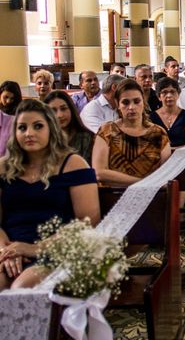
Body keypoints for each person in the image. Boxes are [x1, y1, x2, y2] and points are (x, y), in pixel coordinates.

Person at [0, 100, 99, 290]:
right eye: (22, 128)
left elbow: (87, 222)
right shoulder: (3, 167)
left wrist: (33, 249)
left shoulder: (72, 163)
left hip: (58, 248)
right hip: (11, 248)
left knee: (21, 289)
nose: (29, 133)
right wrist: (7, 251)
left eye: (38, 126)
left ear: (51, 129)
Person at [92, 80, 171, 186]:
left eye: (136, 101)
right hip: (113, 196)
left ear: (143, 101)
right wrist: (141, 183)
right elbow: (99, 173)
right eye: (125, 102)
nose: (131, 107)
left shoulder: (158, 133)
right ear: (117, 104)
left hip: (152, 196)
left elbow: (167, 173)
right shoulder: (107, 131)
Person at [45, 91, 94, 164]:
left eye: (63, 109)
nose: (60, 115)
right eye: (53, 110)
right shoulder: (43, 140)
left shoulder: (87, 138)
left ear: (71, 109)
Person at [150, 77, 185, 148]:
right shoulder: (152, 118)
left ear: (178, 94)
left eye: (172, 92)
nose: (169, 95)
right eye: (164, 92)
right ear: (159, 96)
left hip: (184, 157)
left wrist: (169, 151)